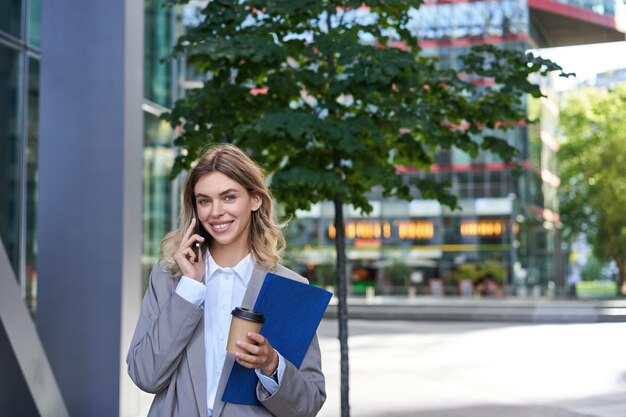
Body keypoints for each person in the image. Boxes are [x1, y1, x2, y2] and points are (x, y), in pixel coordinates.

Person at [127, 144, 326, 417]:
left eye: (229, 197)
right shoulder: (168, 279)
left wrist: (271, 364)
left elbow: (308, 404)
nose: (216, 211)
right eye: (204, 200)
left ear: (255, 199)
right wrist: (190, 289)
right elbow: (145, 376)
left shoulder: (289, 288)